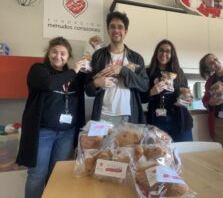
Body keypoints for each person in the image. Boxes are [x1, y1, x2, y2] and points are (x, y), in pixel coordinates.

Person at [16, 37, 86, 198]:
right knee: (37, 175)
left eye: (63, 53)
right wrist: (73, 71)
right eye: (54, 52)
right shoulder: (38, 70)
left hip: (66, 134)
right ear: (48, 53)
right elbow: (49, 84)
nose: (58, 56)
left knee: (58, 175)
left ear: (68, 56)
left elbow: (90, 85)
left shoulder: (75, 76)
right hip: (43, 133)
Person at [85, 11, 149, 125]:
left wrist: (122, 70)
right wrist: (96, 83)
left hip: (128, 115)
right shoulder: (98, 55)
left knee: (127, 144)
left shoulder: (136, 58)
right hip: (102, 115)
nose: (116, 30)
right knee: (102, 144)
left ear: (126, 31)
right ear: (108, 30)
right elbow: (88, 90)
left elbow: (144, 86)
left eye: (120, 27)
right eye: (112, 27)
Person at [141, 39, 193, 142]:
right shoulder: (148, 72)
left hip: (179, 120)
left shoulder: (178, 72)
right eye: (161, 50)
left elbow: (185, 92)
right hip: (157, 120)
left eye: (168, 51)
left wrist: (188, 98)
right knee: (160, 154)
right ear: (156, 52)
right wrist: (151, 92)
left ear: (172, 54)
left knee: (184, 153)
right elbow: (141, 98)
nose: (164, 54)